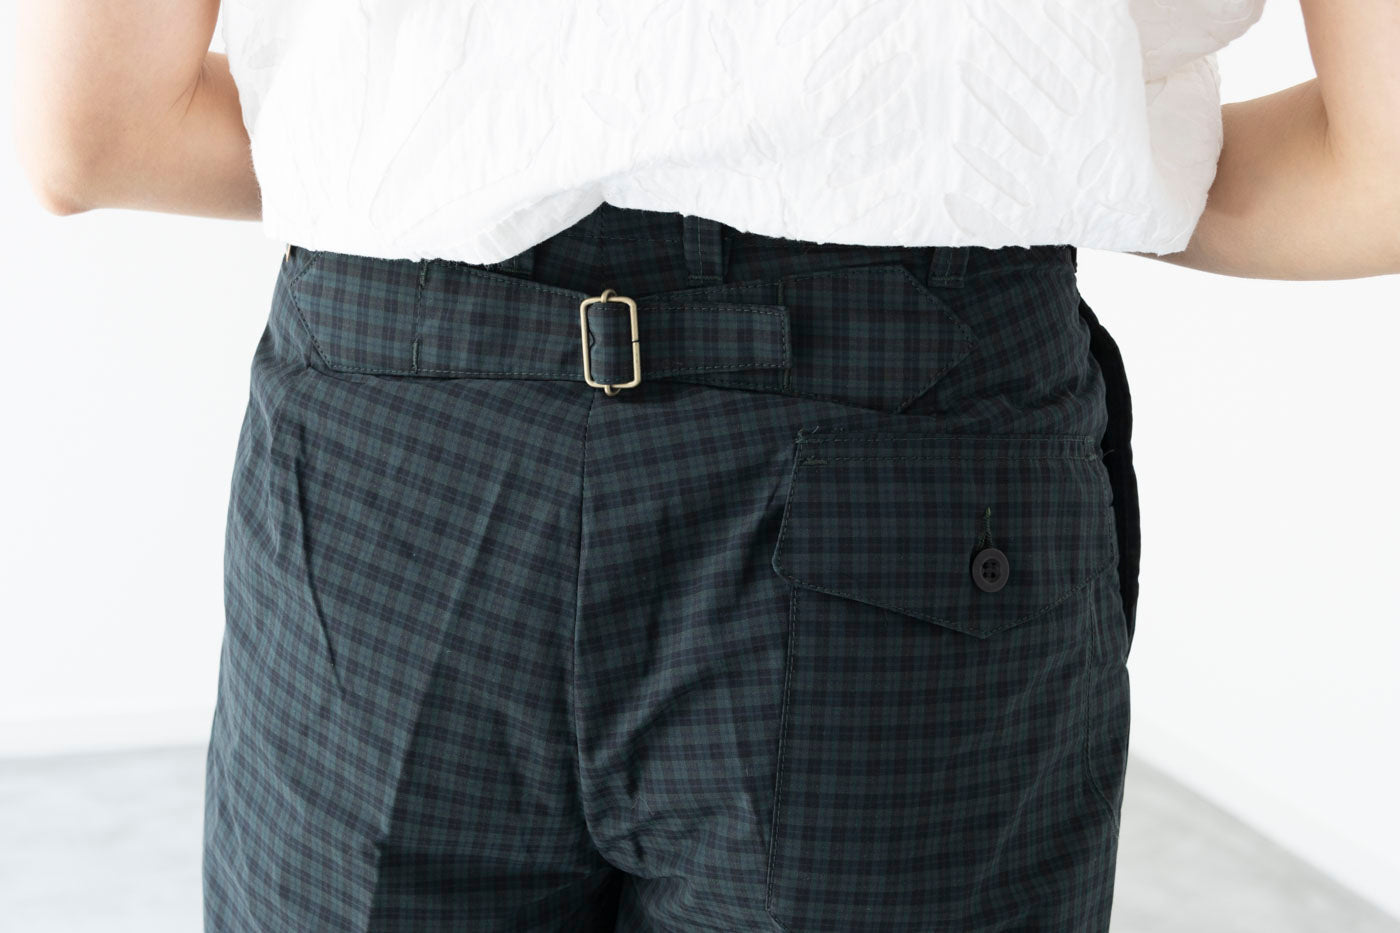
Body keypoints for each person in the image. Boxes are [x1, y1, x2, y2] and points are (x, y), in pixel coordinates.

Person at [15, 2, 1399, 931]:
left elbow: (96, 133)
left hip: (400, 462)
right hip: (907, 455)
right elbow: (1377, 170)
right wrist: (1061, 159)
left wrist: (454, 159)